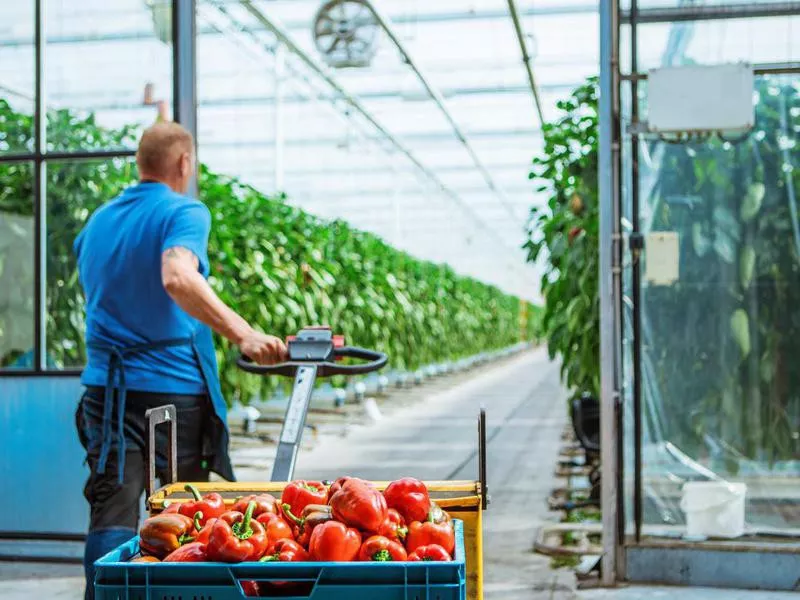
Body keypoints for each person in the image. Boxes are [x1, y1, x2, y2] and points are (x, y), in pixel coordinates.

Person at [73, 121, 287, 599]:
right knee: (183, 518)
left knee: (112, 507)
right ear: (185, 164)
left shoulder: (99, 221)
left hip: (104, 392)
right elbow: (176, 275)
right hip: (170, 394)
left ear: (139, 163)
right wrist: (244, 333)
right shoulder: (186, 212)